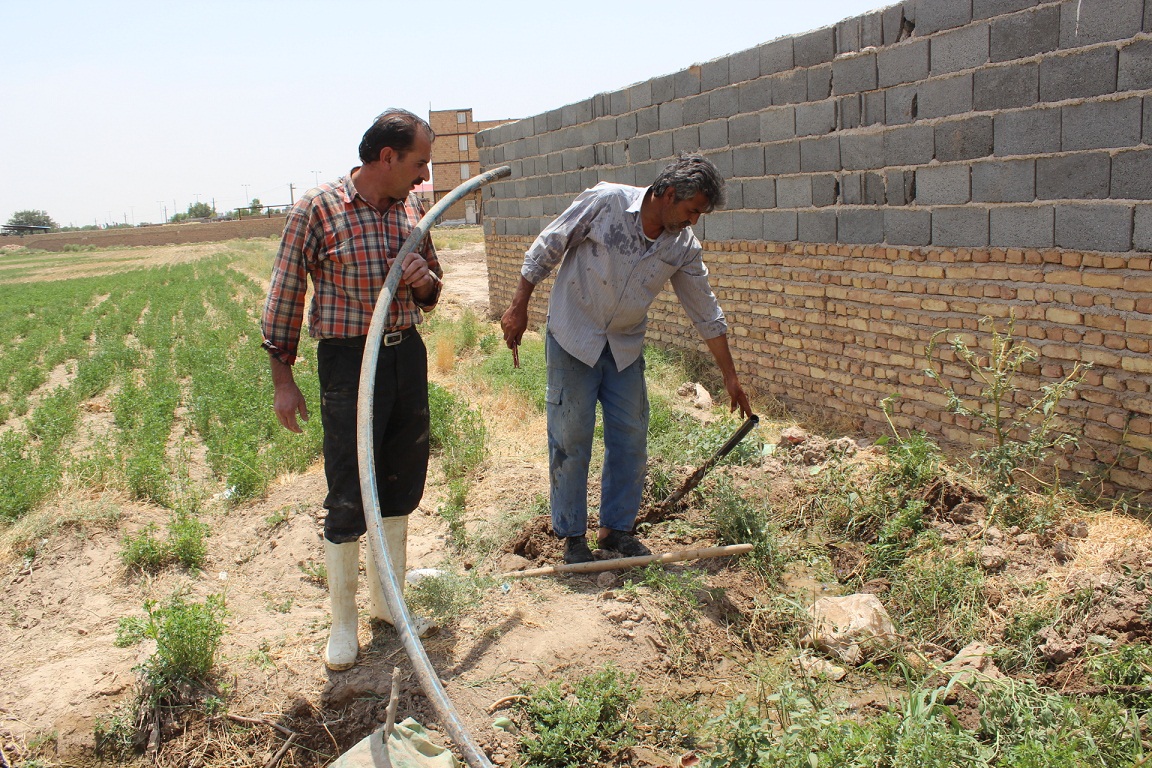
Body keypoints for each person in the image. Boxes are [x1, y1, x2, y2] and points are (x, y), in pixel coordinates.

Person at [500, 153, 753, 565]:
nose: (694, 221)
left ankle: (616, 530)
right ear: (669, 194)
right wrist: (518, 305)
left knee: (630, 439)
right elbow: (549, 244)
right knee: (570, 439)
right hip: (573, 337)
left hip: (623, 349)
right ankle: (573, 538)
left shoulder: (682, 245)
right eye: (692, 211)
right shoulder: (606, 202)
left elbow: (704, 309)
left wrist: (731, 377)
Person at [261, 108, 442, 671]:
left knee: (401, 479)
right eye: (418, 163)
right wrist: (284, 382)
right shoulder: (317, 210)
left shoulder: (413, 208)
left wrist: (423, 282)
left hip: (404, 357)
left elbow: (434, 288)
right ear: (387, 158)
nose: (423, 176)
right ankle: (342, 626)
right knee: (347, 488)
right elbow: (285, 297)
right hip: (347, 362)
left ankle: (389, 605)